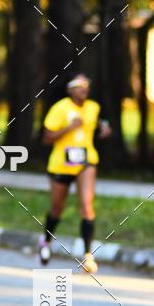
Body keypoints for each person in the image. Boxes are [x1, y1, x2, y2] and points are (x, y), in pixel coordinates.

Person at [39, 74, 112, 273]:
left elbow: (98, 122)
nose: (84, 89)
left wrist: (104, 128)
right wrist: (70, 128)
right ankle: (45, 241)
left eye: (86, 86)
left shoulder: (93, 107)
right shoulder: (60, 108)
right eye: (79, 86)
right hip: (61, 164)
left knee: (87, 205)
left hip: (86, 161)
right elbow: (46, 138)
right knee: (57, 208)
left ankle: (88, 255)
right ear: (70, 89)